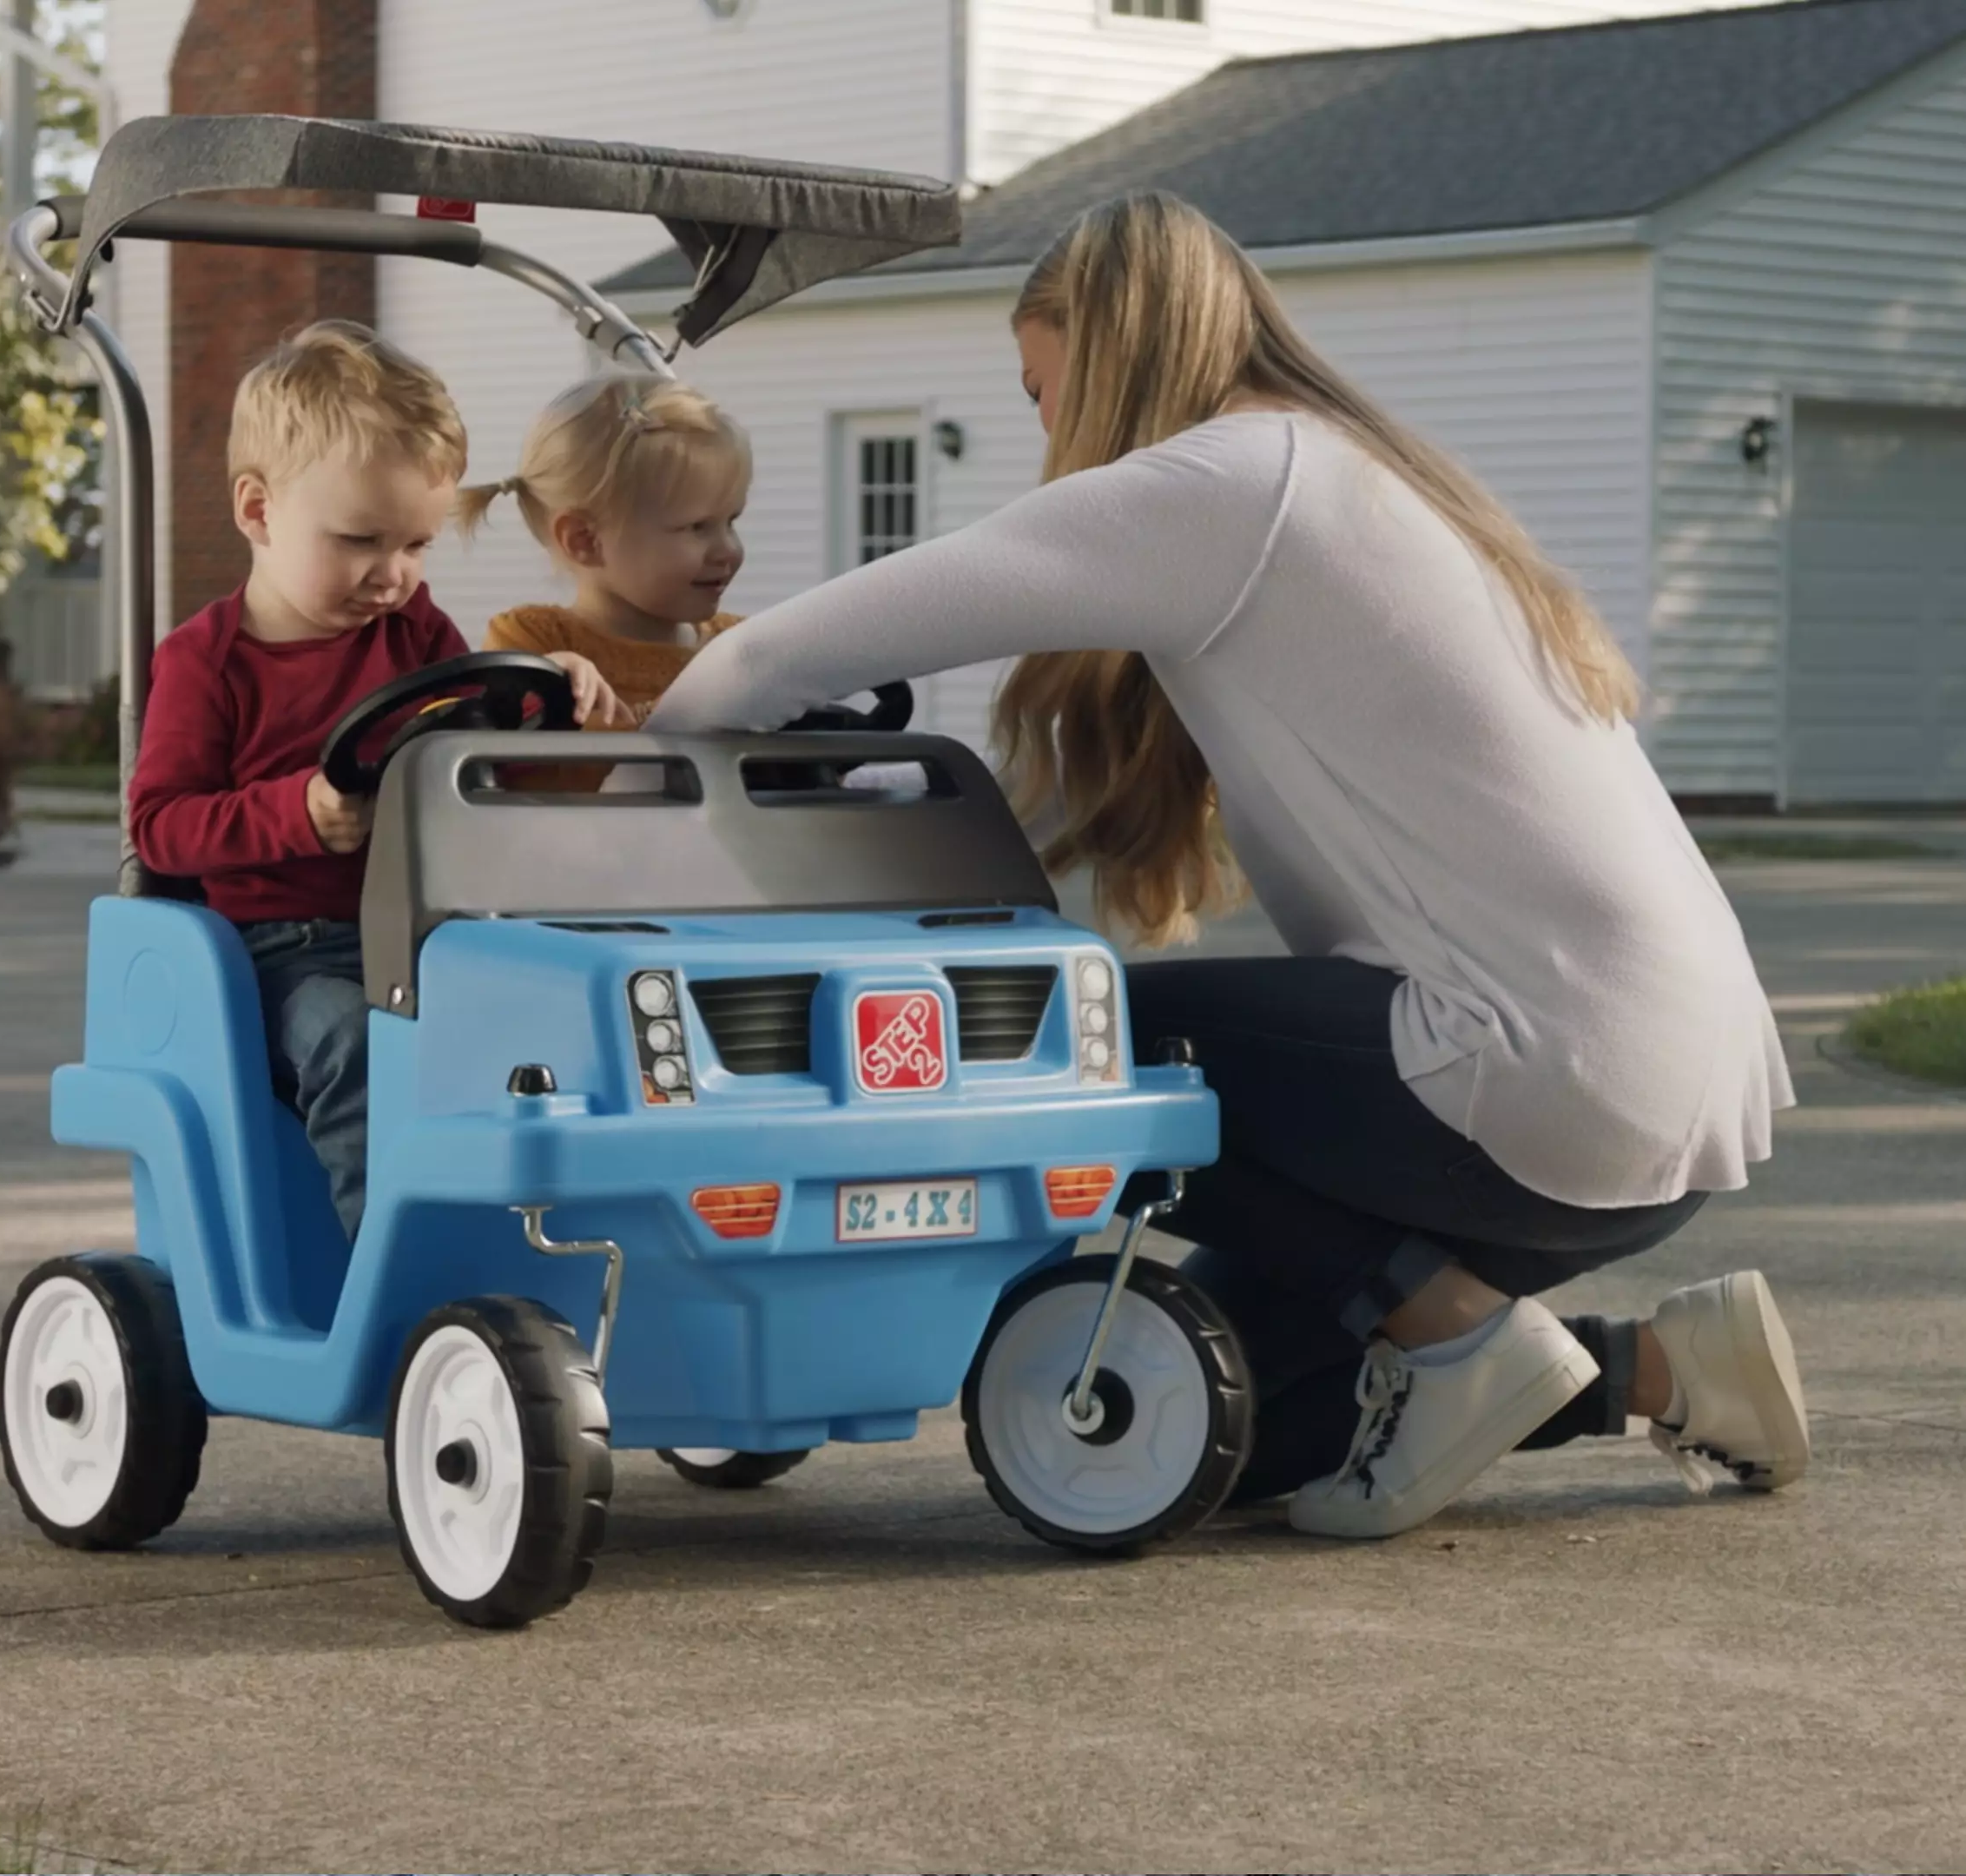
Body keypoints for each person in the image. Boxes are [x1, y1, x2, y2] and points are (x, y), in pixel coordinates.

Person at [645, 192, 1810, 1540]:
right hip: (1666, 1100)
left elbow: (775, 657)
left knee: (1065, 1048)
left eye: (1039, 390)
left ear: (1111, 347)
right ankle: (1660, 1369)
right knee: (1221, 1419)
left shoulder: (1226, 482)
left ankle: (1447, 1330)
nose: (1043, 431)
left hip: (1540, 1086)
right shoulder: (1358, 471)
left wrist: (630, 759)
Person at [129, 320, 623, 1245]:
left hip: (427, 930)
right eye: (361, 540)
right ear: (257, 511)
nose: (393, 575)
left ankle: (554, 1253)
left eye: (418, 546)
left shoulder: (412, 630)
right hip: (281, 954)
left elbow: (469, 721)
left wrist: (546, 686)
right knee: (357, 1048)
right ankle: (390, 1281)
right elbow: (162, 827)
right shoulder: (207, 663)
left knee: (576, 1014)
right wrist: (299, 813)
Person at [464, 372, 749, 773]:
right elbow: (485, 758)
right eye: (698, 527)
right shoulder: (534, 641)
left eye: (732, 521)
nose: (729, 550)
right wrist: (543, 684)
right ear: (585, 540)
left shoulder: (744, 646)